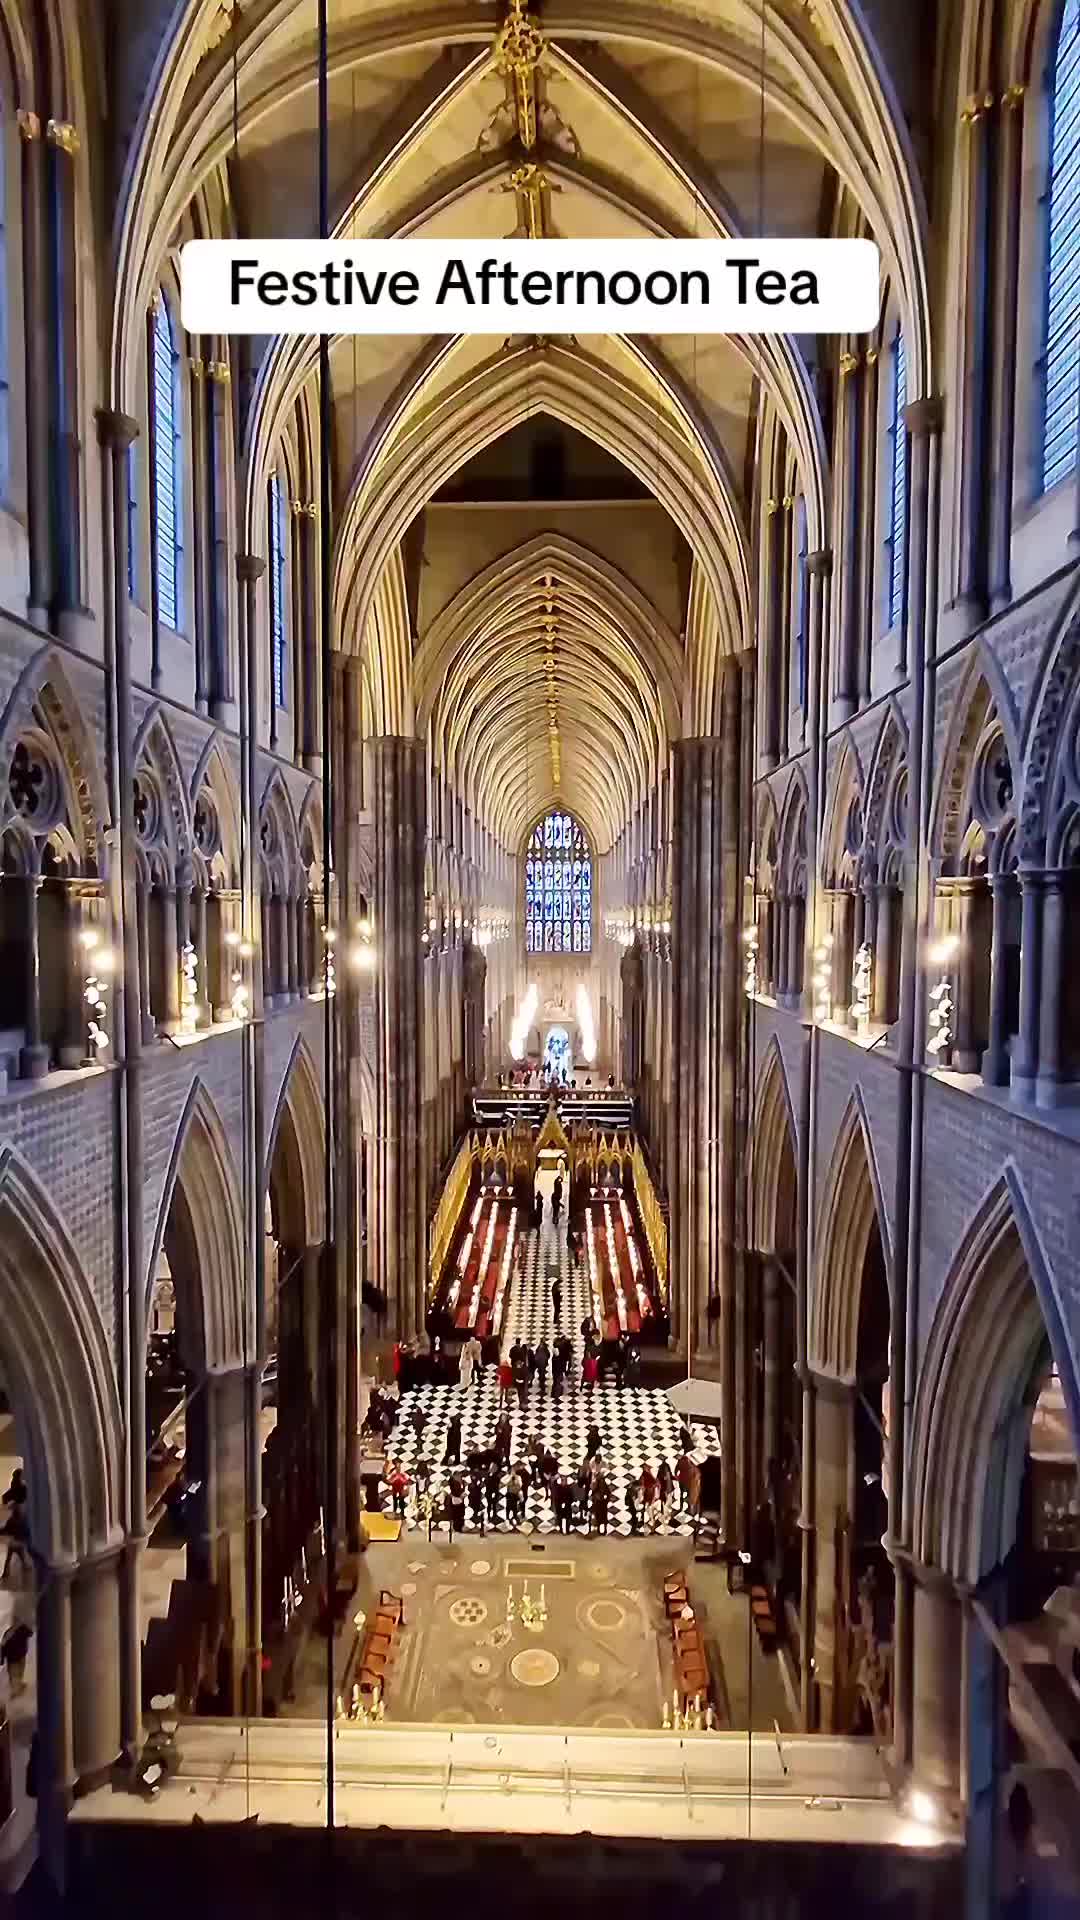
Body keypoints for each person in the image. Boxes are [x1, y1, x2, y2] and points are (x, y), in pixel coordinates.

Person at [1, 1618, 32, 1696]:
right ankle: (16, 1692)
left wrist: (2, 1659)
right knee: (16, 1674)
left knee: (15, 1674)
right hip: (17, 1657)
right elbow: (30, 1632)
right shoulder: (22, 1629)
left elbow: (3, 1646)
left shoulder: (8, 1632)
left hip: (14, 1657)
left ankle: (17, 1688)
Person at [468, 1469, 486, 1535]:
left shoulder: (475, 1484)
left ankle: (476, 1522)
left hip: (476, 1498)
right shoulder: (473, 1484)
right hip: (474, 1498)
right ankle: (476, 1521)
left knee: (476, 1509)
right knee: (475, 1508)